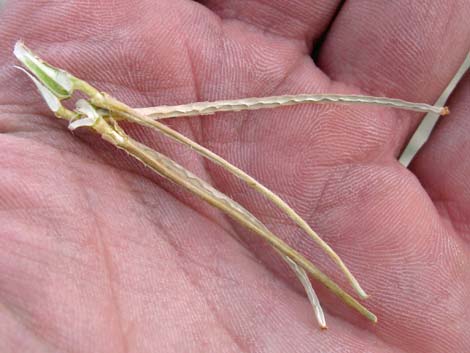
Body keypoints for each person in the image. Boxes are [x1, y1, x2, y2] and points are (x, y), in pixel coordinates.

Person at [0, 1, 468, 352]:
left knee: (259, 164)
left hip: (104, 111)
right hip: (103, 119)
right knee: (236, 197)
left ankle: (330, 286)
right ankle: (324, 286)